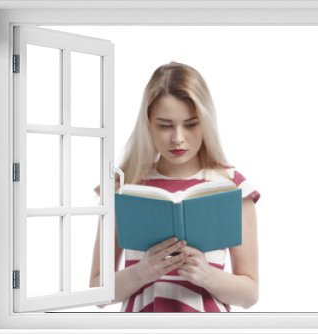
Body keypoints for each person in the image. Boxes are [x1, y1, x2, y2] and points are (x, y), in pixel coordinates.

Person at [90, 62, 260, 312]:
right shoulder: (124, 186)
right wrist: (141, 273)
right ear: (148, 123)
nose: (178, 138)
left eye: (191, 124)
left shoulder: (232, 185)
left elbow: (250, 294)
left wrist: (208, 276)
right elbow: (97, 292)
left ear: (206, 121)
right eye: (164, 125)